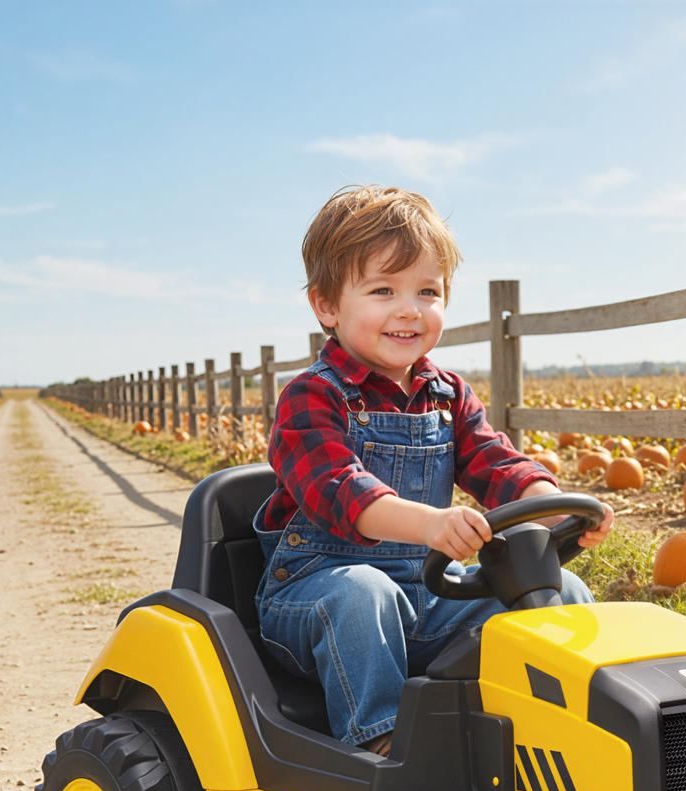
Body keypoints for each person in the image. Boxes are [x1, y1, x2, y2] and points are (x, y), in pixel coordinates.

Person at [254, 184, 614, 757]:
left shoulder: (447, 394)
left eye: (428, 290)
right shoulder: (310, 398)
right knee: (363, 594)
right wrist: (429, 526)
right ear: (326, 305)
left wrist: (554, 500)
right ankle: (386, 748)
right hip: (315, 596)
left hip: (427, 594)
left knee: (559, 588)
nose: (409, 309)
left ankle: (577, 728)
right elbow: (339, 491)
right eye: (383, 290)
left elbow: (494, 461)